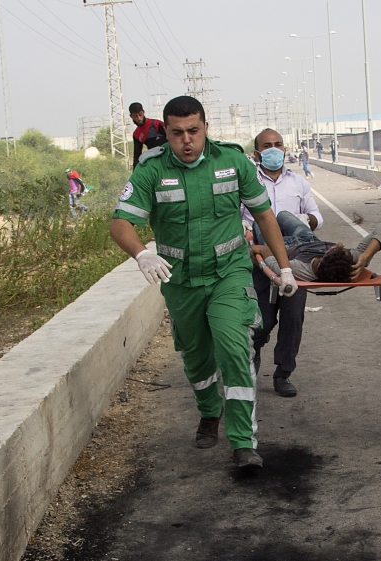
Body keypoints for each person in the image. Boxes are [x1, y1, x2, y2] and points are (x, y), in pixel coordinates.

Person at [110, 96, 297, 471]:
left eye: (194, 130)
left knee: (234, 350)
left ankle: (244, 442)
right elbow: (120, 222)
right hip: (181, 283)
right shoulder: (150, 170)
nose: (187, 140)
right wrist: (141, 253)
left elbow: (264, 213)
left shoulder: (232, 161)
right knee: (196, 358)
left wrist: (285, 267)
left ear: (206, 128)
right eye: (177, 133)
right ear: (166, 131)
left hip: (229, 275)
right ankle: (210, 411)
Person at [242, 128, 324, 398]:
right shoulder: (246, 180)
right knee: (261, 320)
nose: (274, 149)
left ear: (285, 149)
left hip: (294, 259)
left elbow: (315, 216)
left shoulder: (298, 182)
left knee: (292, 319)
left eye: (278, 144)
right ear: (257, 153)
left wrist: (306, 221)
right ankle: (254, 351)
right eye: (267, 145)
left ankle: (283, 373)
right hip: (260, 261)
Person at [251, 213, 381, 283]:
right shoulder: (352, 260)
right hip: (307, 239)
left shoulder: (298, 269)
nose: (339, 243)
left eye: (334, 248)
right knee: (282, 215)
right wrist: (367, 254)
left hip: (282, 247)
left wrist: (258, 248)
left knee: (261, 221)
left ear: (322, 259)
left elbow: (264, 252)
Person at [128, 102, 167, 169]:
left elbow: (173, 138)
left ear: (143, 112)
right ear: (131, 116)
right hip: (155, 162)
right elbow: (137, 155)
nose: (139, 118)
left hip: (168, 156)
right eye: (135, 116)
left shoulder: (156, 124)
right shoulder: (136, 134)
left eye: (140, 115)